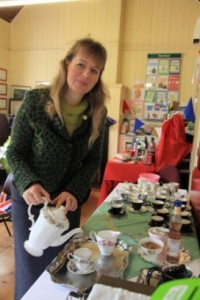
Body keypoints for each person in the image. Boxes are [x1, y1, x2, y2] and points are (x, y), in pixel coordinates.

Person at [6, 37, 109, 300]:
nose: (86, 74)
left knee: (63, 269)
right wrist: (28, 182)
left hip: (66, 206)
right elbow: (14, 152)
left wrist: (74, 191)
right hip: (30, 203)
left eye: (94, 70)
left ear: (99, 76)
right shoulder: (35, 101)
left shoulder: (98, 111)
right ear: (66, 64)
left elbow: (91, 162)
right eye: (81, 64)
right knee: (30, 273)